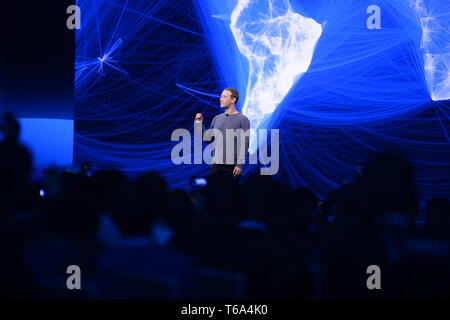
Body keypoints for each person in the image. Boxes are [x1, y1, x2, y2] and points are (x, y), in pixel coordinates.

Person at [194, 88, 250, 181]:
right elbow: (207, 139)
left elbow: (245, 144)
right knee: (213, 193)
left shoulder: (243, 120)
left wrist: (240, 165)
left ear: (233, 99)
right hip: (216, 165)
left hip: (232, 167)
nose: (220, 99)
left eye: (224, 97)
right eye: (221, 96)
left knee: (231, 193)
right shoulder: (217, 118)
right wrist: (199, 124)